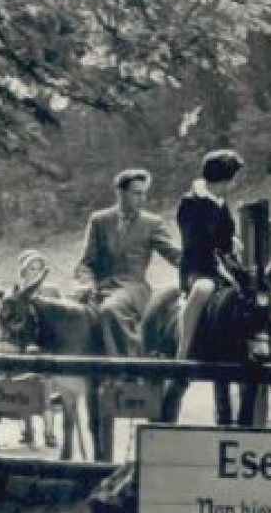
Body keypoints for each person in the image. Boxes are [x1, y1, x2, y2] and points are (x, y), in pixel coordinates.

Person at [75, 169, 182, 356]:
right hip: (99, 287)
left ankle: (129, 367)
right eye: (137, 193)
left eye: (144, 193)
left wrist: (199, 263)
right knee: (73, 314)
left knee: (110, 309)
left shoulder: (152, 223)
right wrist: (87, 284)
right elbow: (86, 263)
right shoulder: (99, 220)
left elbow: (174, 255)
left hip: (133, 288)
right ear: (120, 193)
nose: (143, 199)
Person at [175, 150, 245, 362]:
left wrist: (232, 241)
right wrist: (225, 245)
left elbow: (226, 233)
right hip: (197, 267)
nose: (235, 184)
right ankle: (183, 348)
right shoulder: (190, 203)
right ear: (224, 180)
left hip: (221, 266)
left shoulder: (221, 202)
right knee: (203, 289)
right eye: (233, 179)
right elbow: (194, 243)